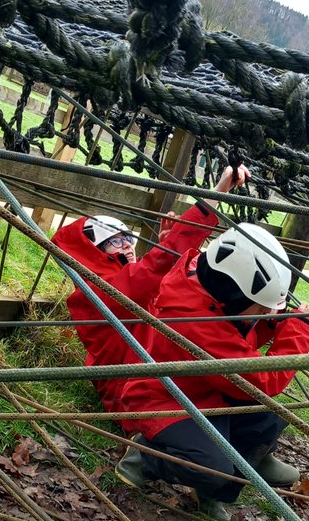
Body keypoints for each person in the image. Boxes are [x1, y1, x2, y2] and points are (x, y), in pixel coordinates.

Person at [113, 223, 309, 521]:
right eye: (262, 310)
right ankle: (146, 457)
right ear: (236, 295)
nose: (268, 314)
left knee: (269, 417)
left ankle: (223, 485)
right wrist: (299, 332)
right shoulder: (195, 322)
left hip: (204, 390)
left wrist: (271, 323)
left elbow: (236, 341)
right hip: (165, 402)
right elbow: (262, 381)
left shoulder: (210, 289)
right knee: (212, 469)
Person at [52, 164, 248, 408]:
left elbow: (170, 297)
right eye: (115, 241)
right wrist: (218, 192)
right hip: (134, 393)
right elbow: (154, 269)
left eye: (128, 238)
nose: (127, 245)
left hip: (154, 377)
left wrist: (168, 252)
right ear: (94, 253)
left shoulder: (125, 282)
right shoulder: (102, 291)